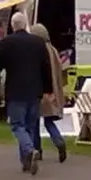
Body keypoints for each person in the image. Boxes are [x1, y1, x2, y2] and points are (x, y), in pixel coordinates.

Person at [0, 12, 53, 174]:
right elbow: (46, 67)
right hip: (35, 91)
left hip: (16, 91)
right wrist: (48, 89)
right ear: (26, 25)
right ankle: (26, 162)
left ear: (12, 25)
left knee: (18, 126)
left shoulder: (6, 43)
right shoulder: (38, 43)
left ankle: (29, 150)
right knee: (30, 126)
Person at [28, 23, 69, 163]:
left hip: (41, 90)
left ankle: (37, 150)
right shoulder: (53, 50)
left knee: (34, 123)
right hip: (53, 92)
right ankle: (59, 141)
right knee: (49, 121)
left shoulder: (37, 51)